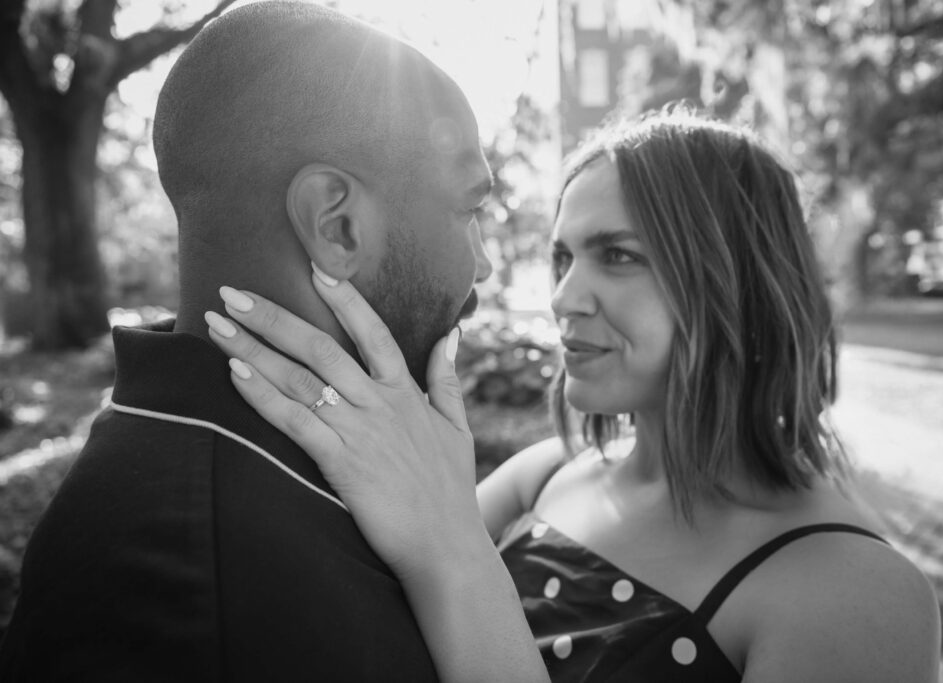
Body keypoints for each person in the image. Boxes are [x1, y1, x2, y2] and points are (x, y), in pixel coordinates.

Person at [207, 109, 943, 681]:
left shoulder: (858, 593)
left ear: (739, 280)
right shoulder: (545, 475)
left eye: (618, 256)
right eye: (562, 257)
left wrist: (456, 558)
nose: (563, 298)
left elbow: (440, 557)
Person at [0, 2, 544, 681]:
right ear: (337, 227)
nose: (485, 265)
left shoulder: (216, 454)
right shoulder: (210, 587)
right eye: (470, 211)